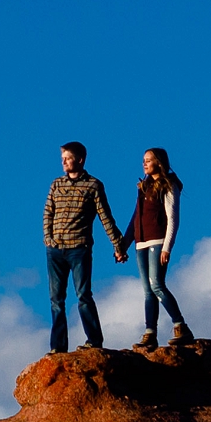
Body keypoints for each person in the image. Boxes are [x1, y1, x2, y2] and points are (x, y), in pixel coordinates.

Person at [41, 140, 128, 354]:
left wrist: (118, 245)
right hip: (55, 250)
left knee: (83, 296)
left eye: (68, 158)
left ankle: (94, 340)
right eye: (62, 158)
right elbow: (47, 213)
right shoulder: (56, 184)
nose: (63, 162)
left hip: (79, 248)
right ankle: (58, 347)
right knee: (56, 300)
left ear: (80, 160)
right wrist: (48, 238)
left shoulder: (93, 186)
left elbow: (105, 217)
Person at [127, 146, 192, 349]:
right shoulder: (143, 187)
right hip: (141, 243)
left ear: (159, 163)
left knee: (156, 284)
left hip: (157, 241)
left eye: (149, 160)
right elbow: (135, 219)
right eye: (143, 160)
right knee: (148, 290)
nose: (144, 163)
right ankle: (150, 332)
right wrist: (123, 245)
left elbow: (173, 218)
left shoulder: (169, 185)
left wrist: (167, 247)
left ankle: (180, 325)